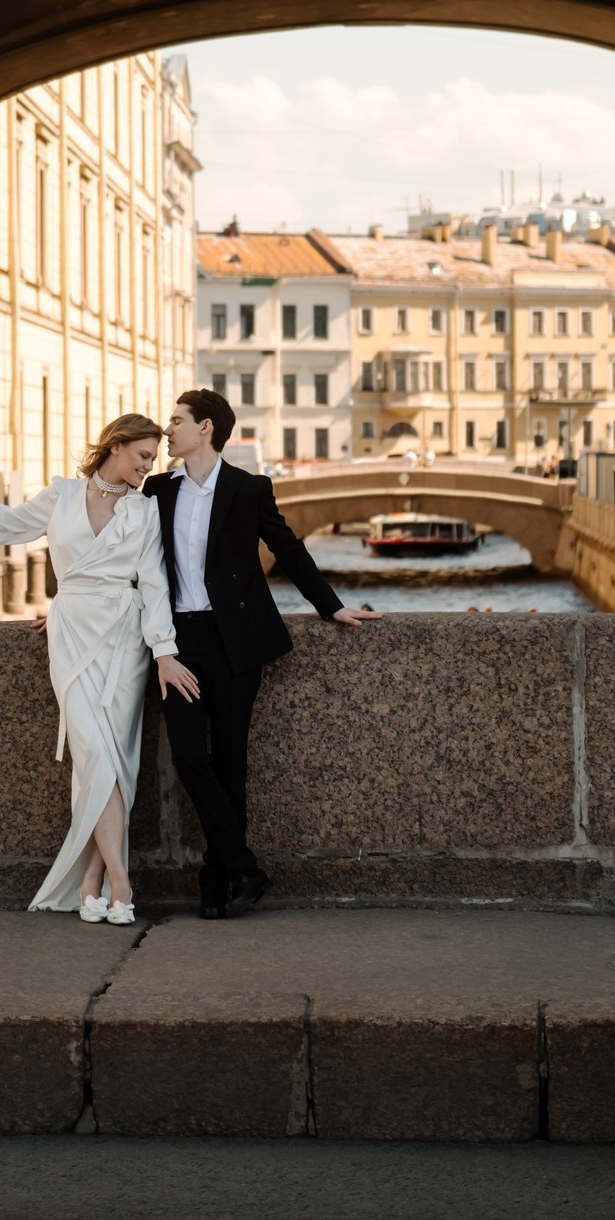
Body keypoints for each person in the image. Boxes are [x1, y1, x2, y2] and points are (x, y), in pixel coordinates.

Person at [0, 414, 199, 924]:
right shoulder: (62, 495)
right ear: (115, 446)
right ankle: (121, 881)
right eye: (143, 456)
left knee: (112, 762)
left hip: (122, 642)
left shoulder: (145, 511)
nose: (148, 467)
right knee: (92, 752)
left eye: (154, 459)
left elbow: (153, 584)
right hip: (70, 634)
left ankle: (93, 880)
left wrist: (164, 651)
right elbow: (6, 523)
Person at [145, 389, 385, 921]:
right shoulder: (156, 489)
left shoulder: (248, 488)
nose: (168, 429)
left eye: (177, 420)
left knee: (231, 760)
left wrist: (332, 607)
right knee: (188, 754)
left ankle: (217, 877)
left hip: (236, 641)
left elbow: (288, 547)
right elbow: (121, 557)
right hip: (176, 642)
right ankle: (244, 867)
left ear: (206, 428)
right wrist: (66, 606)